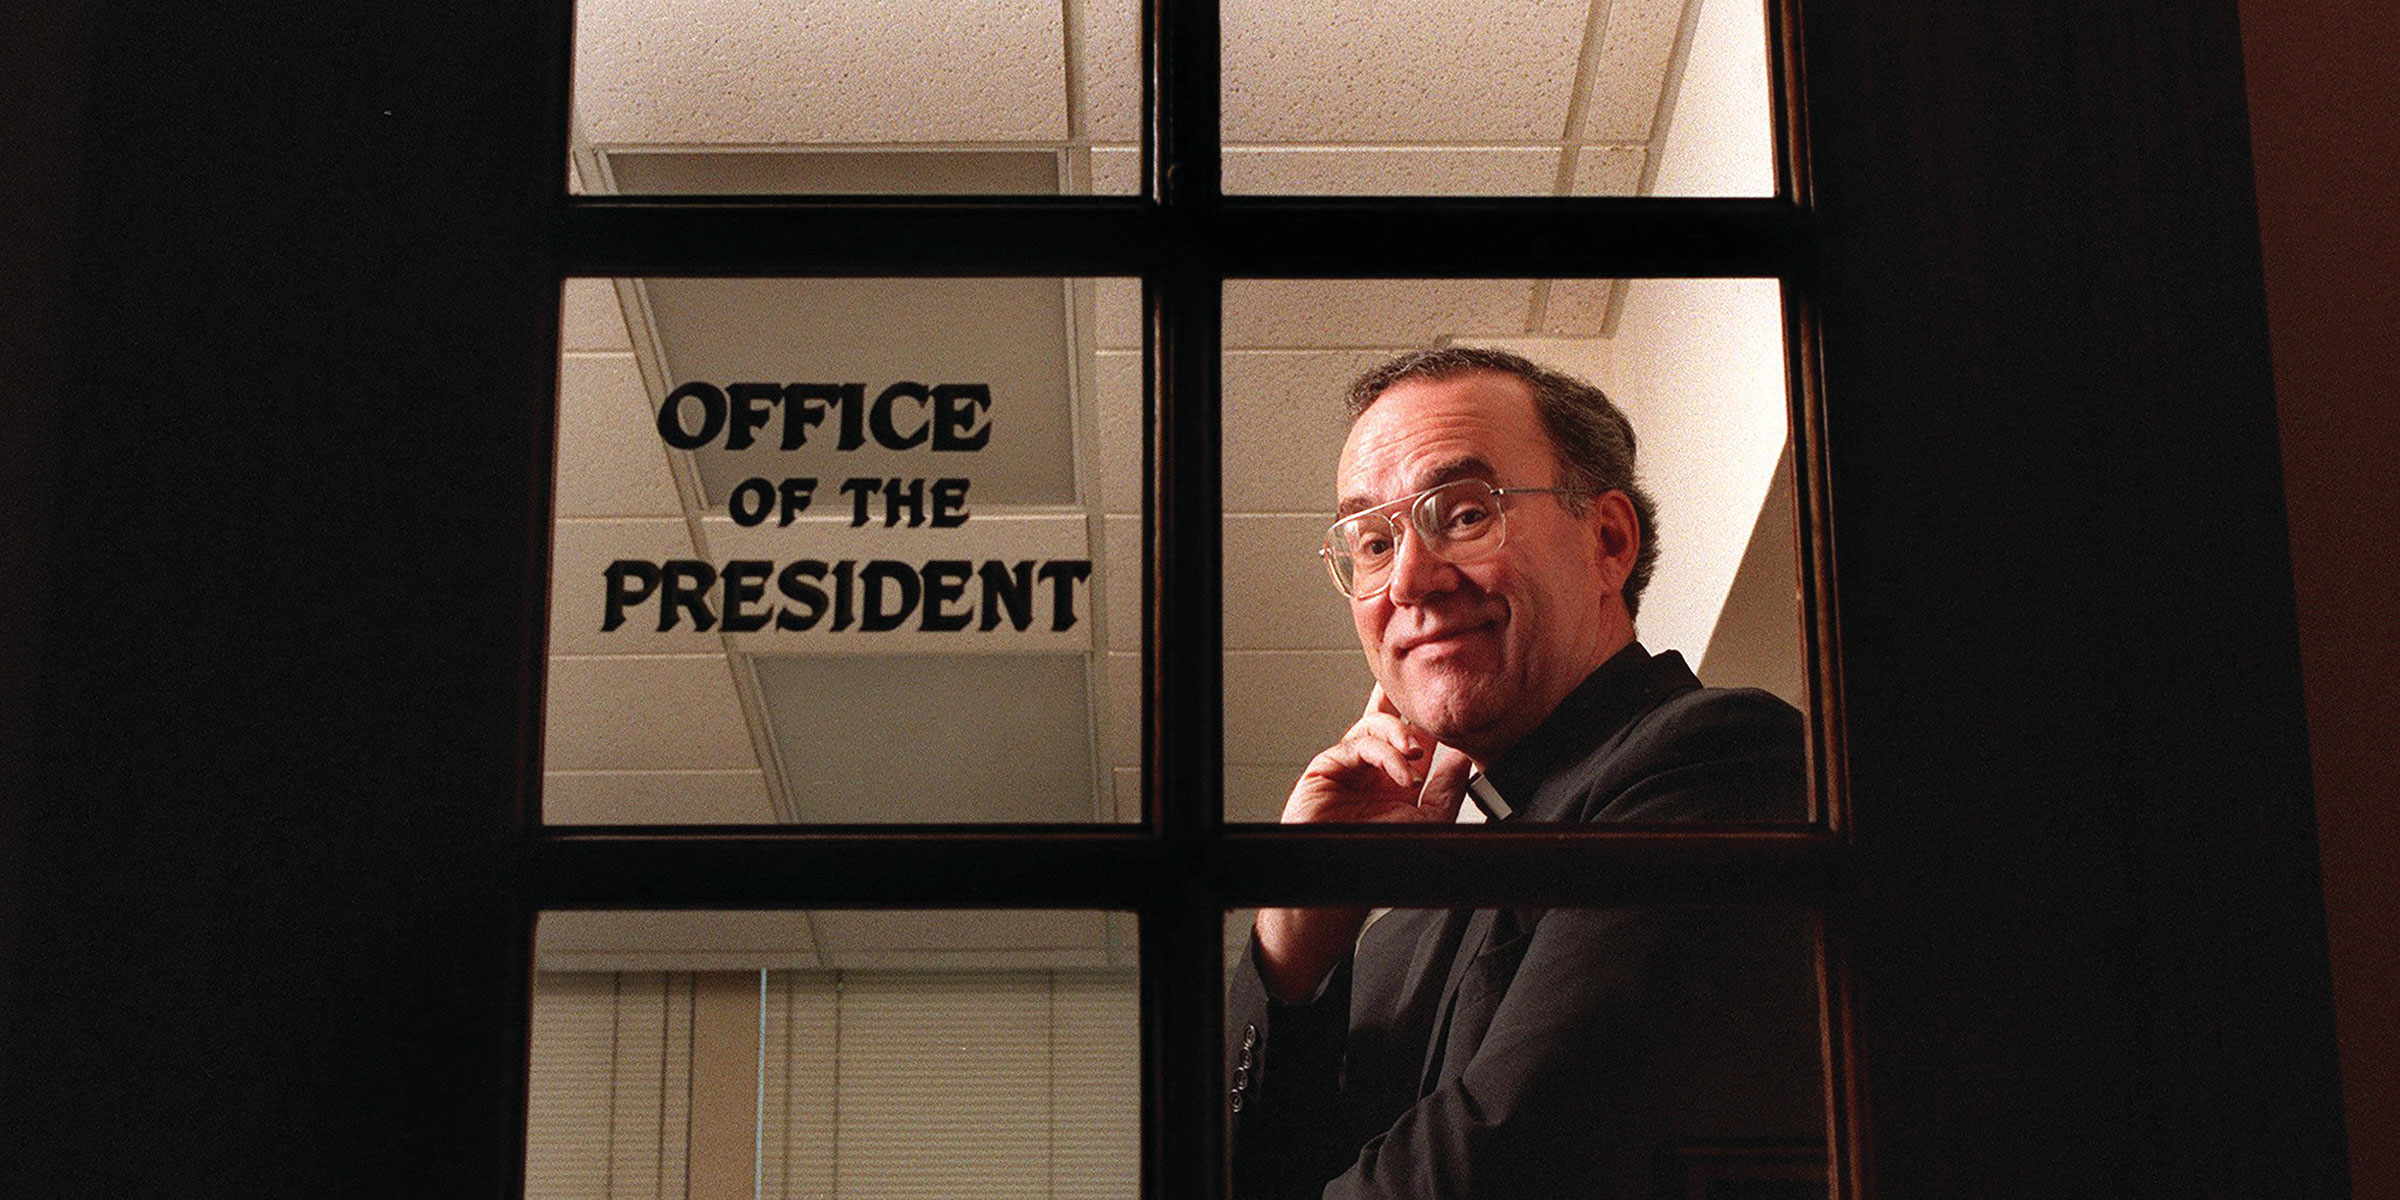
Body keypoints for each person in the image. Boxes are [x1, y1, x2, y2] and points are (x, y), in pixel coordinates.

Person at [1226, 348, 1820, 1199]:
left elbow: (1500, 1170)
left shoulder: (1720, 759)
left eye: (1464, 514)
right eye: (1373, 540)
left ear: (1608, 542)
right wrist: (1293, 942)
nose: (1408, 581)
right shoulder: (1392, 936)